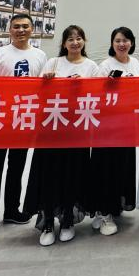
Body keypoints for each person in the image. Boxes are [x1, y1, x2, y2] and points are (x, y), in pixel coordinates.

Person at [0, 14, 47, 245]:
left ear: (32, 29)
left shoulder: (40, 55)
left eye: (25, 26)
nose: (21, 30)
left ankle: (11, 210)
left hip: (24, 119)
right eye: (16, 26)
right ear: (10, 30)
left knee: (17, 167)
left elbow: (43, 88)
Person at [33, 25, 100, 246]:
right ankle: (48, 222)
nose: (75, 42)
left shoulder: (91, 67)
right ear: (64, 43)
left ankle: (68, 220)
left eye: (79, 38)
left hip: (77, 129)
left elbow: (97, 97)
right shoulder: (52, 63)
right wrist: (46, 82)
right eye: (70, 39)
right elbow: (37, 94)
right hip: (51, 129)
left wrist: (84, 86)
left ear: (84, 41)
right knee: (49, 174)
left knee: (73, 173)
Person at [90, 27, 139, 236]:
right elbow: (95, 94)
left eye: (126, 40)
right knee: (105, 169)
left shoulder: (135, 63)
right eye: (118, 40)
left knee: (122, 167)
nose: (122, 44)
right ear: (112, 43)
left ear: (132, 43)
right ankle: (104, 212)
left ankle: (113, 206)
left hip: (127, 126)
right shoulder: (105, 66)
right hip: (107, 128)